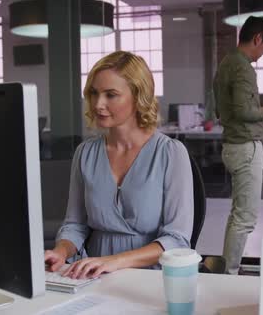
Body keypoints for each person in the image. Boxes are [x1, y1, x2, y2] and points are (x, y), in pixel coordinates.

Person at [44, 51, 194, 279]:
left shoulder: (170, 154)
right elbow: (75, 225)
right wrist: (60, 252)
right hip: (92, 274)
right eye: (94, 93)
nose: (98, 104)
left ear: (138, 96)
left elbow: (177, 239)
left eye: (110, 95)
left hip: (150, 278)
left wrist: (114, 262)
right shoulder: (85, 153)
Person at [213, 16, 263, 275]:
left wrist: (262, 122)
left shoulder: (225, 63)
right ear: (258, 38)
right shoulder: (243, 67)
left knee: (237, 216)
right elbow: (244, 110)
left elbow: (226, 112)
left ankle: (227, 270)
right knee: (245, 219)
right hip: (245, 149)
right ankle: (229, 275)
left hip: (233, 145)